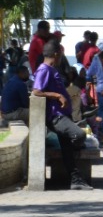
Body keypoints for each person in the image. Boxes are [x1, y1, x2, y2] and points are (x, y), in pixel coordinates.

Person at [31, 41, 91, 190]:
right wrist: (58, 95)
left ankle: (75, 179)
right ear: (56, 54)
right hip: (57, 117)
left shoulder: (51, 69)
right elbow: (36, 91)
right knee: (79, 135)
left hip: (63, 114)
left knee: (67, 149)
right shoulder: (44, 70)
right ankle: (74, 170)